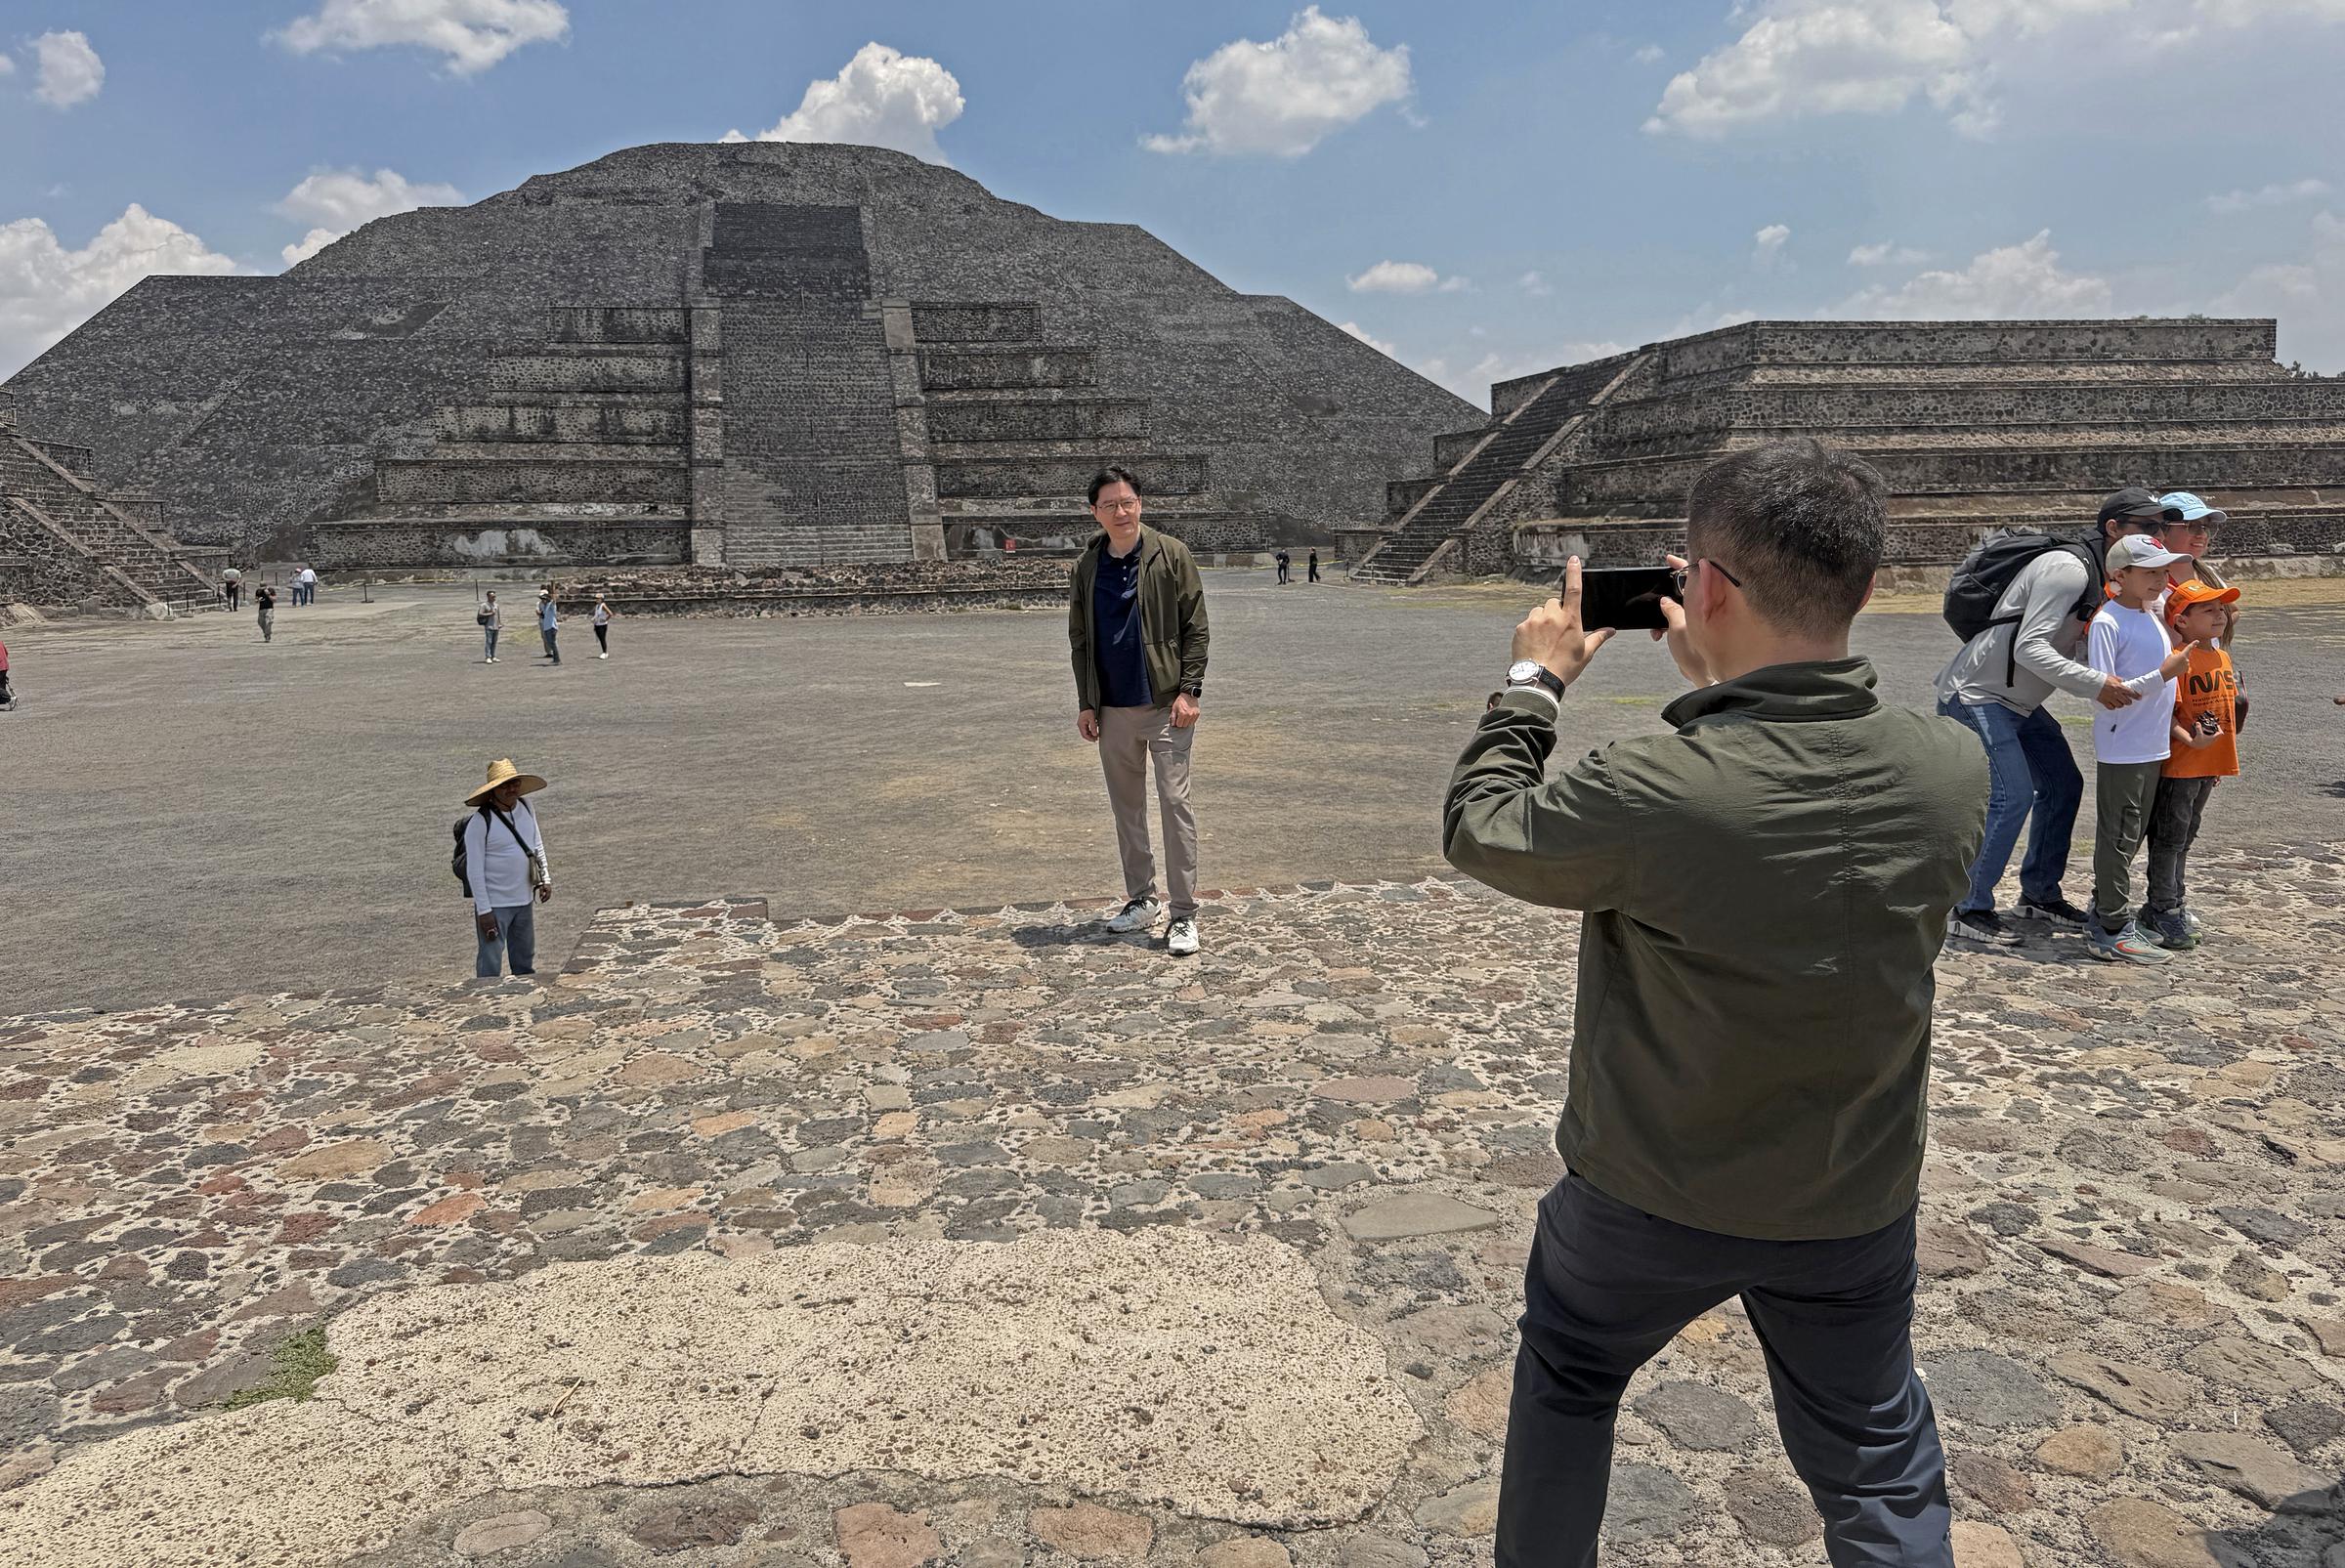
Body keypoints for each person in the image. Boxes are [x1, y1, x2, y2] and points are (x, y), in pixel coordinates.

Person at [1444, 438, 1988, 1567]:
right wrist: (1727, 676)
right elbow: (1788, 789)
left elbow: (1484, 827)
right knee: (1878, 1464)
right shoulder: (1951, 765)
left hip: (1652, 1191)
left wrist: (1534, 680)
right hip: (1852, 1195)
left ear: (1707, 587)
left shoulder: (1651, 785)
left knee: (1571, 1380)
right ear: (1870, 587)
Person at [1934, 487, 2176, 947]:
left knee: (2065, 784)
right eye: (2148, 527)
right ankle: (1967, 906)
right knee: (2012, 795)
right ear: (2114, 529)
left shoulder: (2107, 580)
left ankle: (2039, 895)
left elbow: (2079, 644)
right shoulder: (2067, 569)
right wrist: (2097, 686)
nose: (2158, 536)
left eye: (2162, 528)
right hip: (1977, 695)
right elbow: (2030, 647)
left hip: (2017, 704)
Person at [1068, 466, 1210, 956]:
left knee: (1175, 806)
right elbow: (1080, 639)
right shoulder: (1087, 566)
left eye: (1127, 502)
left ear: (1140, 504)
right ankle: (1141, 899)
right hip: (1112, 709)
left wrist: (1190, 691)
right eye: (1109, 504)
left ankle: (1185, 914)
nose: (1121, 512)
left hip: (1166, 703)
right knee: (1127, 809)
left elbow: (1195, 624)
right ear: (1095, 512)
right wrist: (1087, 702)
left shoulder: (1171, 555)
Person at [2083, 533, 2197, 964]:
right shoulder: (2109, 622)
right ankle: (2110, 926)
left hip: (2150, 744)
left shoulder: (2150, 615)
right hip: (2123, 745)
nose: (2158, 579)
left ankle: (2106, 910)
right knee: (2118, 836)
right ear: (2119, 574)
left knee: (2131, 834)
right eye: (2148, 572)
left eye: (2162, 571)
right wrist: (2163, 674)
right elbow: (2104, 691)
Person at [2141, 578, 2243, 950]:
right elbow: (2164, 713)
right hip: (2181, 765)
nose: (2220, 615)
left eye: (2222, 608)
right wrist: (2189, 741)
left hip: (2207, 765)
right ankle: (2162, 907)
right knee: (2169, 838)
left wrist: (2215, 762)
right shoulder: (2178, 659)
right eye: (2208, 609)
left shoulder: (2222, 656)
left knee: (2185, 838)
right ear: (2181, 621)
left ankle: (2174, 901)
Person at [461, 758, 553, 978]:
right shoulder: (480, 822)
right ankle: (486, 1000)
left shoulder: (526, 807)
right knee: (490, 963)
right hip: (496, 905)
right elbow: (474, 870)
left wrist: (545, 878)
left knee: (524, 959)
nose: (512, 789)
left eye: (515, 783)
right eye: (505, 785)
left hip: (523, 900)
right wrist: (484, 911)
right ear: (493, 791)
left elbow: (536, 843)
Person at [537, 588, 560, 664]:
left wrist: (553, 596)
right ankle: (555, 659)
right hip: (546, 627)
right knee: (549, 643)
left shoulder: (551, 605)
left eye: (544, 599)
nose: (543, 600)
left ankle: (557, 660)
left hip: (552, 627)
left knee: (552, 643)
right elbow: (542, 615)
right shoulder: (545, 606)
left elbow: (553, 601)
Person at [480, 590, 503, 663]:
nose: (494, 598)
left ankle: (493, 656)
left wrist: (499, 623)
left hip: (496, 626)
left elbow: (498, 615)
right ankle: (488, 656)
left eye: (495, 596)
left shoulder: (496, 605)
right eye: (492, 596)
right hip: (489, 626)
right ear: (488, 596)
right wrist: (490, 613)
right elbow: (480, 614)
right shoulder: (484, 605)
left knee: (494, 642)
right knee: (489, 642)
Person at [592, 594, 613, 658]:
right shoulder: (597, 606)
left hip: (602, 625)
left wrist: (605, 619)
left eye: (598, 598)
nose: (597, 600)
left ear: (601, 599)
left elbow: (610, 613)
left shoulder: (603, 605)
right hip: (597, 624)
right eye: (596, 598)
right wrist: (593, 619)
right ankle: (604, 652)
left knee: (602, 638)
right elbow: (596, 615)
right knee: (600, 638)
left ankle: (605, 652)